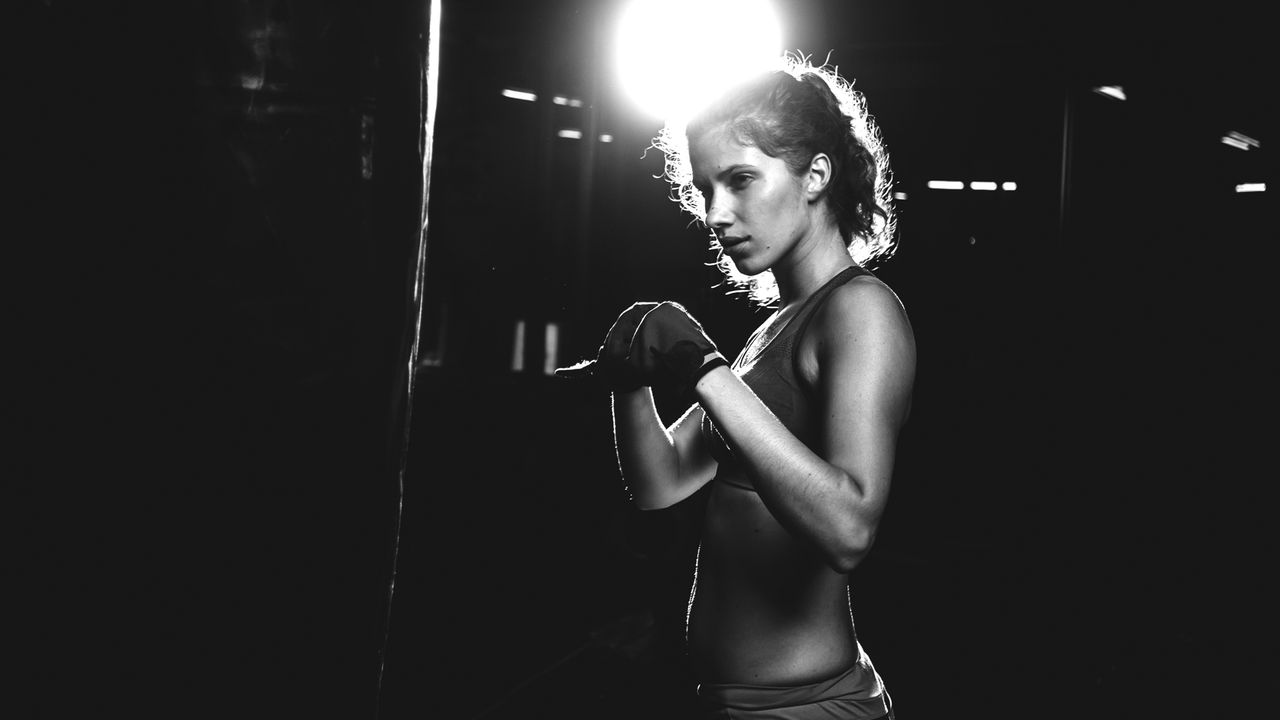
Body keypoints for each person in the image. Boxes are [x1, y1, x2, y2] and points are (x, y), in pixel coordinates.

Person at [560, 54, 914, 719]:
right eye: (704, 188)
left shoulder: (861, 310)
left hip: (807, 708)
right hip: (732, 703)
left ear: (816, 175)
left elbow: (848, 529)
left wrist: (701, 367)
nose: (717, 213)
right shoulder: (774, 329)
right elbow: (660, 483)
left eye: (742, 179)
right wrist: (630, 379)